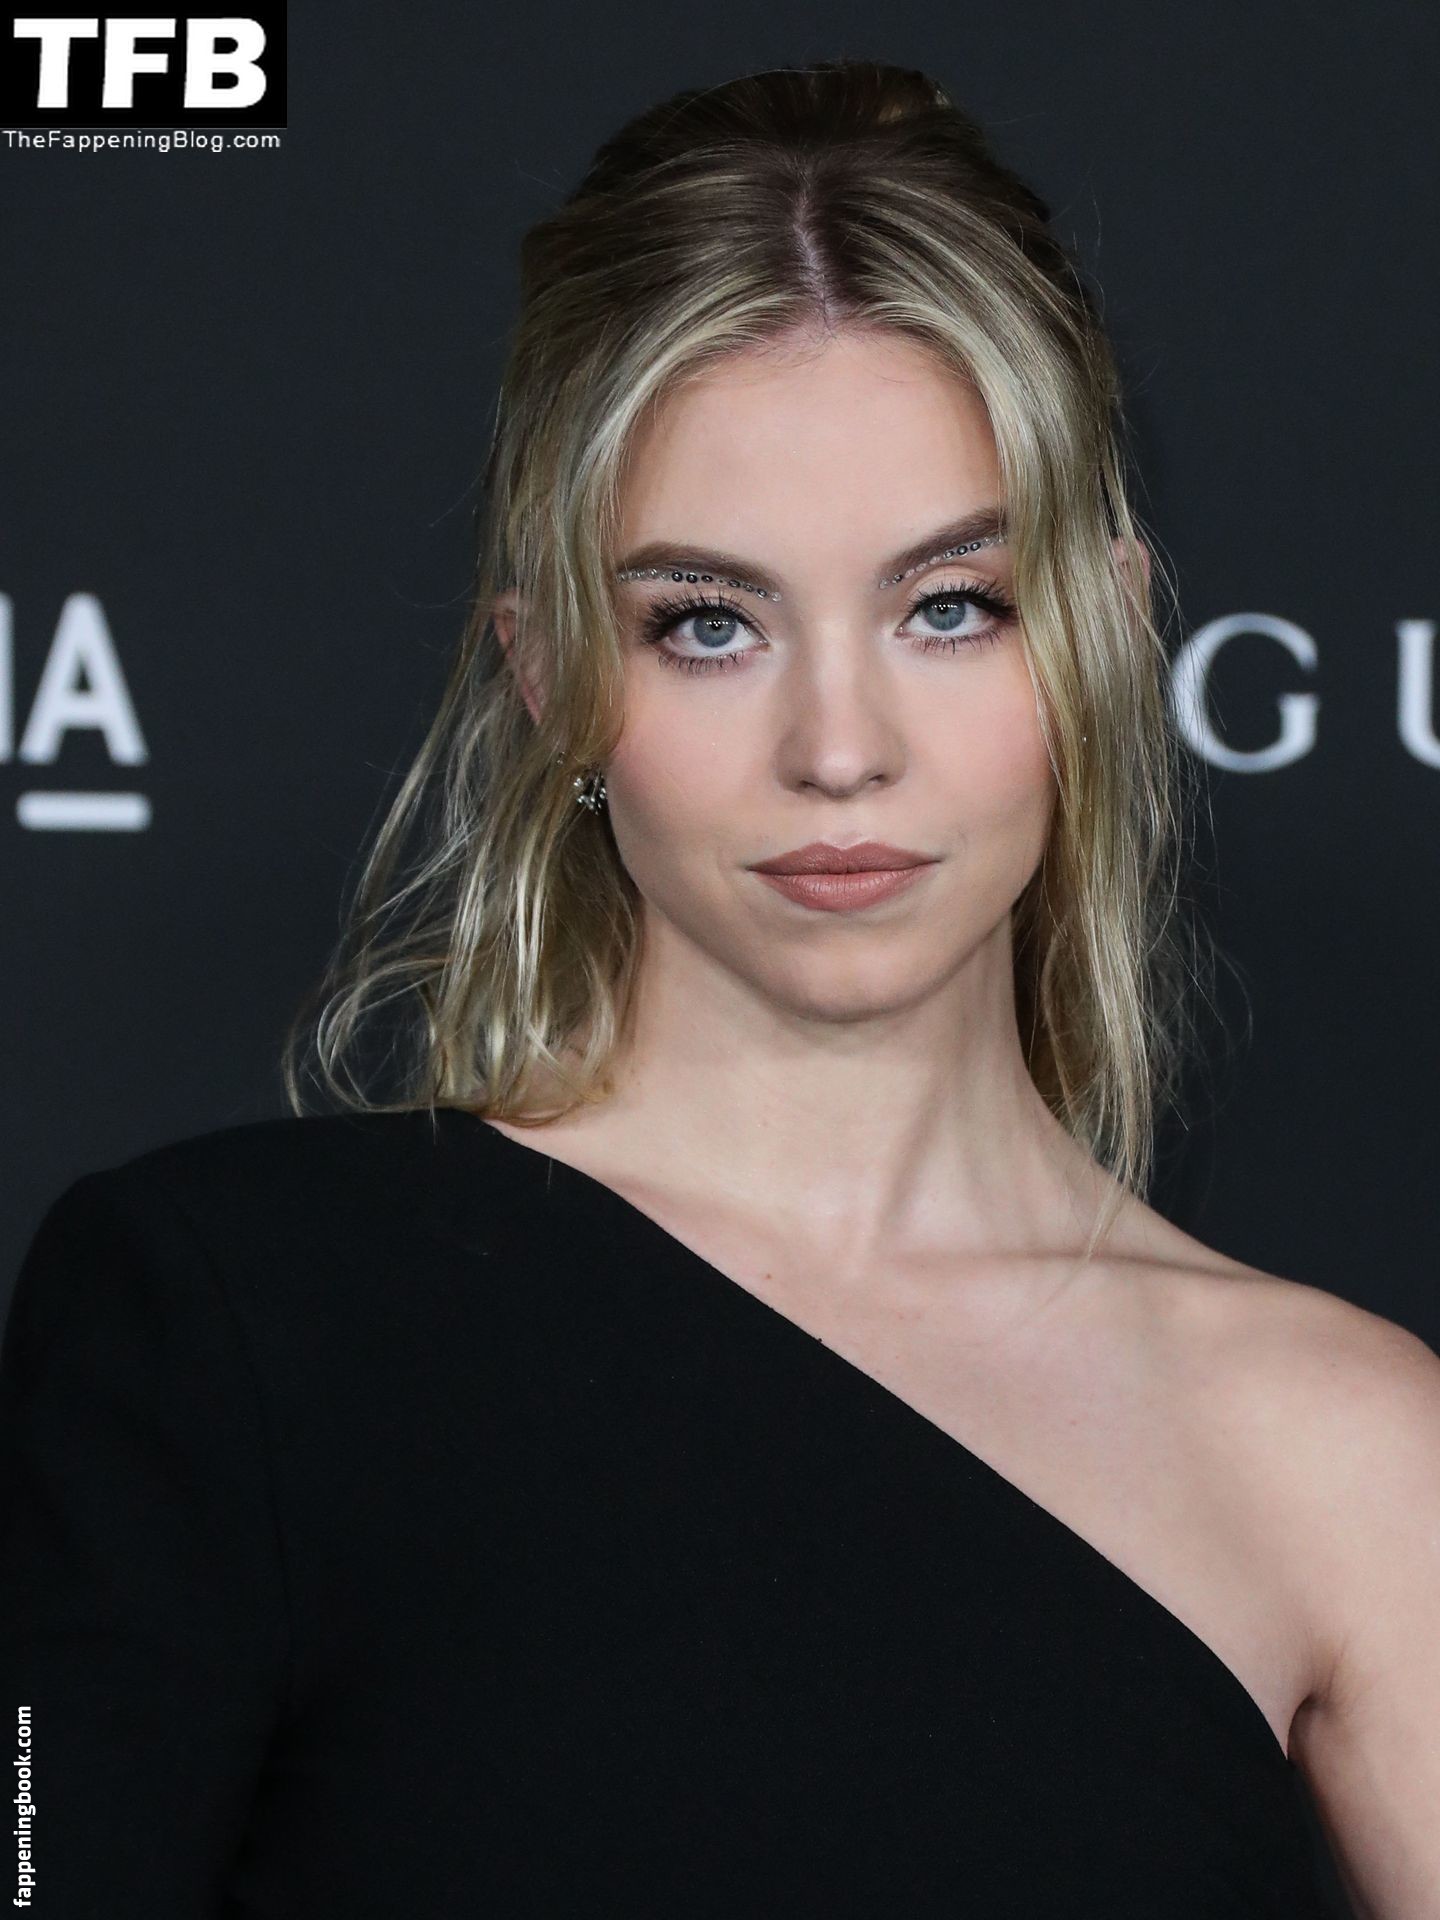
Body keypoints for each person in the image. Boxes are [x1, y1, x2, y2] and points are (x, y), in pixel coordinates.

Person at [2, 58, 1437, 1920]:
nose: (838, 747)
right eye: (708, 624)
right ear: (547, 675)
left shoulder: (1342, 1445)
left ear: (1106, 626)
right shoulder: (225, 1316)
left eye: (949, 606)